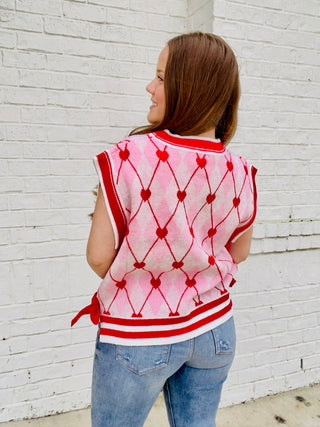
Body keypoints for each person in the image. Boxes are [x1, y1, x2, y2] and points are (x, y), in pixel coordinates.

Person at [72, 32, 257, 427]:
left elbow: (99, 256)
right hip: (215, 329)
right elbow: (237, 254)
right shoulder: (241, 170)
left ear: (190, 88)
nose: (150, 87)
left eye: (161, 78)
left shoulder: (128, 156)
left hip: (138, 335)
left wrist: (145, 279)